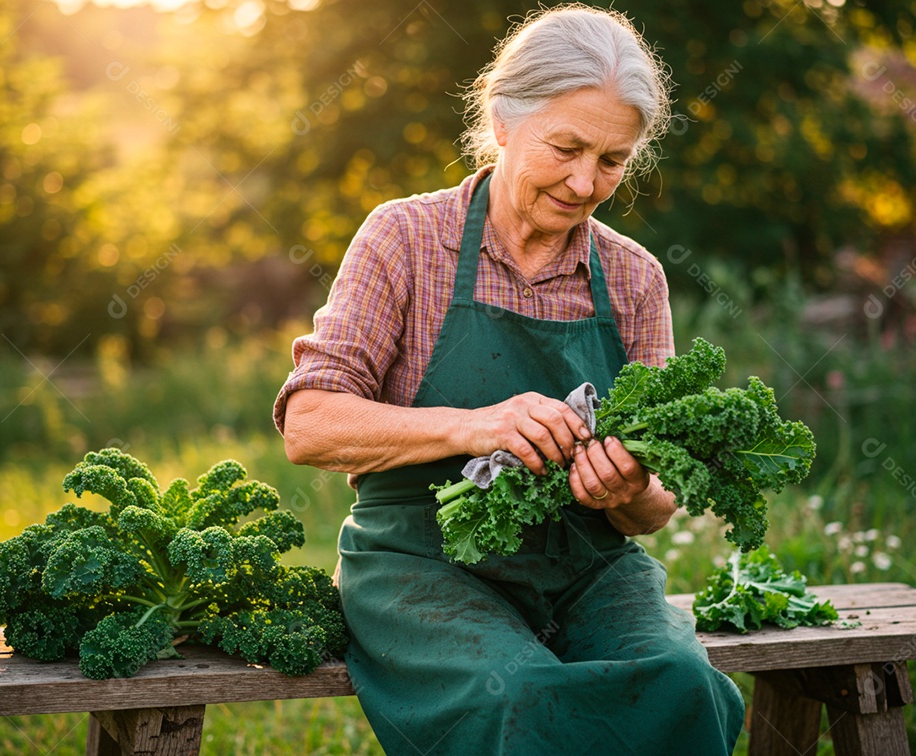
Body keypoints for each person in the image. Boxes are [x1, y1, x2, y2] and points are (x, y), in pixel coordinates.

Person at [274, 5, 745, 754]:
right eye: (566, 147)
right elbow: (311, 425)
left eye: (614, 160)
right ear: (501, 121)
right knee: (518, 697)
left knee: (683, 683)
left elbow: (655, 508)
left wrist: (628, 492)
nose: (586, 181)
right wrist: (475, 424)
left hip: (589, 568)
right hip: (423, 564)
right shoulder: (406, 239)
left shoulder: (633, 278)